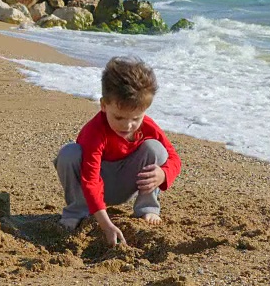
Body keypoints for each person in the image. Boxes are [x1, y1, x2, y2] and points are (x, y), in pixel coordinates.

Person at [54, 56, 182, 245]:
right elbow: (91, 180)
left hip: (128, 183)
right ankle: (77, 211)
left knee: (155, 148)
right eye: (119, 117)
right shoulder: (94, 132)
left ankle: (147, 208)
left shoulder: (147, 126)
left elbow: (174, 158)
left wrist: (163, 174)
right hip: (95, 184)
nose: (128, 125)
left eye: (135, 118)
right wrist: (106, 225)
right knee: (69, 153)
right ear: (104, 105)